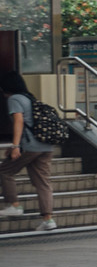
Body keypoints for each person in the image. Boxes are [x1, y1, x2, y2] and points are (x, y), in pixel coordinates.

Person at [0, 69, 60, 232]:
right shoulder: (30, 97)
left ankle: (14, 205)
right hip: (45, 145)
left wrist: (15, 146)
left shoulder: (14, 99)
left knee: (4, 171)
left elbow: (18, 122)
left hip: (30, 145)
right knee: (43, 183)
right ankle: (48, 220)